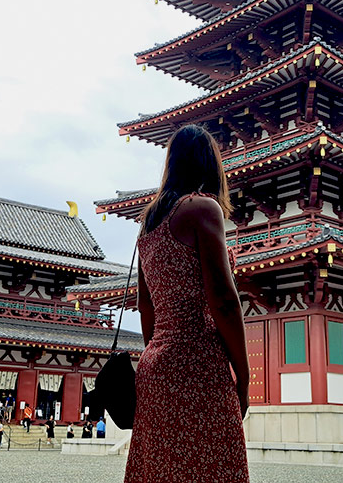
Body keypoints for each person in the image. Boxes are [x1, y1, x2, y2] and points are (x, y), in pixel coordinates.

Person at [123, 125, 249, 483]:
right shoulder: (202, 209)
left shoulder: (148, 223)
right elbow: (224, 300)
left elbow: (145, 306)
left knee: (164, 468)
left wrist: (158, 354)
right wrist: (243, 376)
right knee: (209, 466)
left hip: (156, 363)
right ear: (210, 164)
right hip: (197, 360)